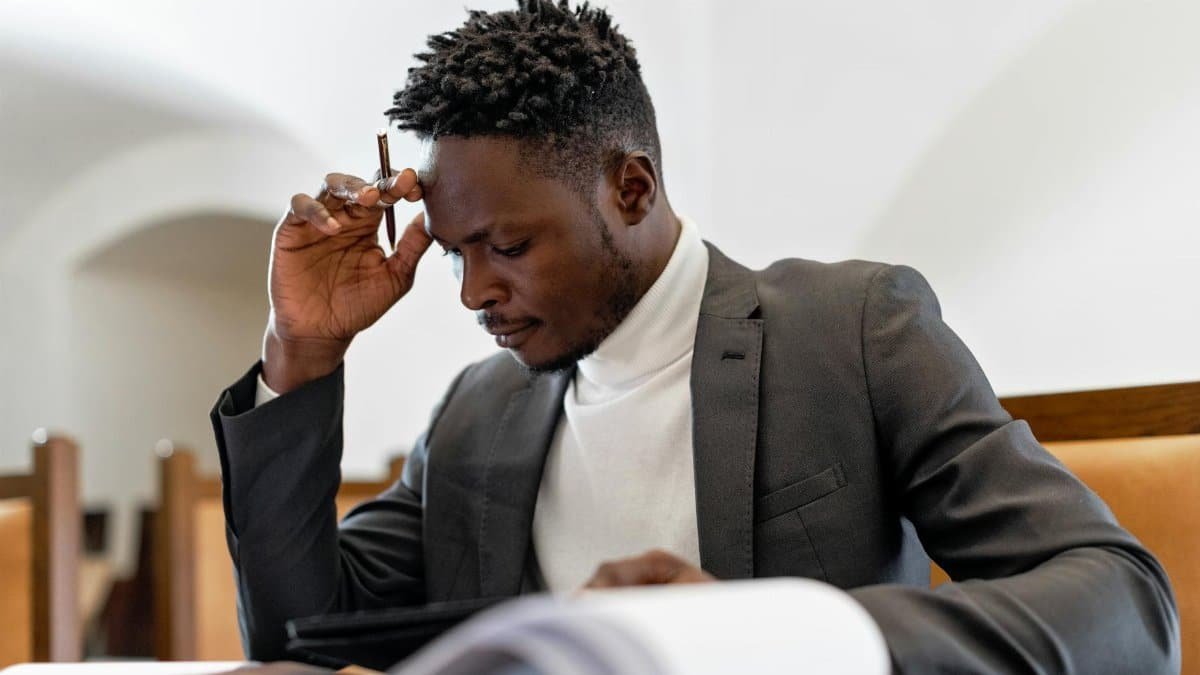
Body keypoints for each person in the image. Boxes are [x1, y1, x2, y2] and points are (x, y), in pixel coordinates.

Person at [210, 1, 1180, 671]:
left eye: (505, 246)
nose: (471, 294)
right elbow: (305, 637)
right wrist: (306, 349)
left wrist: (780, 643)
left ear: (630, 188)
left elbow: (1123, 608)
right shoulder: (478, 412)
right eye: (457, 255)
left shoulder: (850, 331)